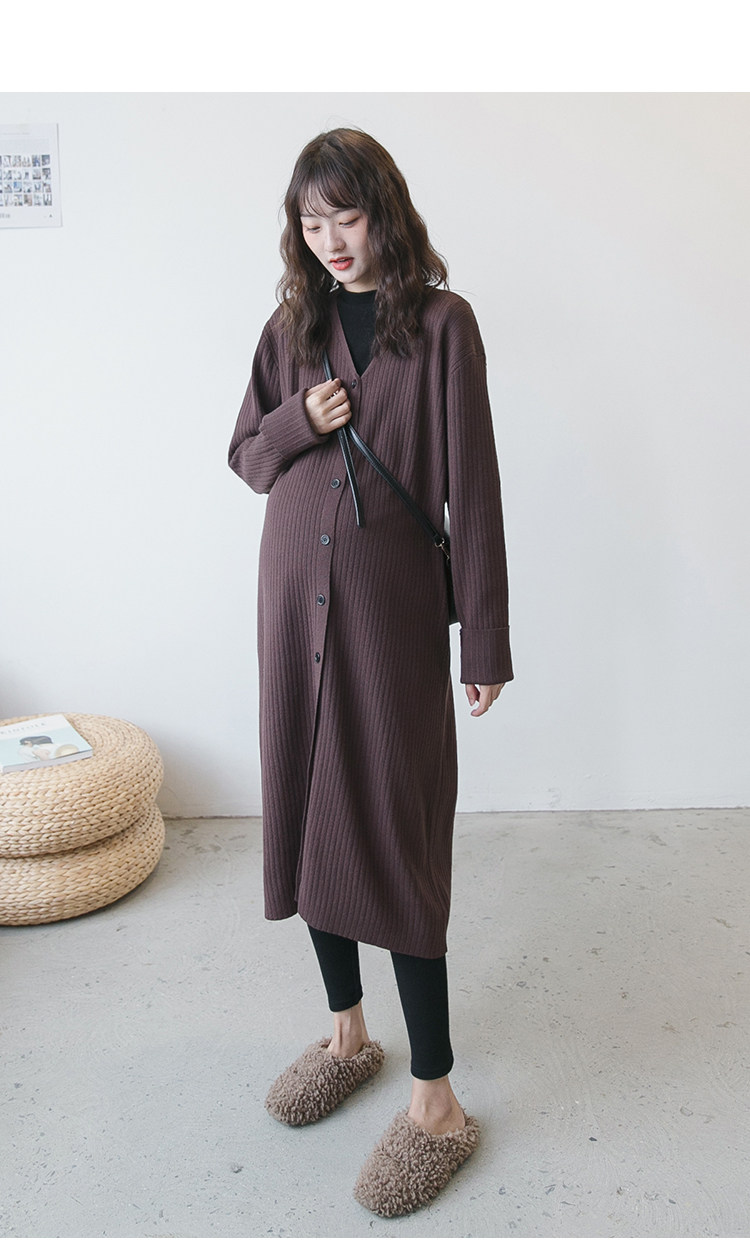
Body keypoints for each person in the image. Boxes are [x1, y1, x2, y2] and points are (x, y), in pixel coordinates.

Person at [228, 127, 512, 1218]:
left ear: (383, 210)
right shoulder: (288, 327)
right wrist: (298, 419)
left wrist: (482, 641)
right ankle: (347, 1033)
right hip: (288, 599)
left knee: (395, 829)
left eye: (346, 216)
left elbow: (472, 488)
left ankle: (435, 1098)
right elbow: (248, 457)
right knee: (310, 813)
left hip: (389, 616)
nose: (331, 240)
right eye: (312, 222)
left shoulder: (443, 325)